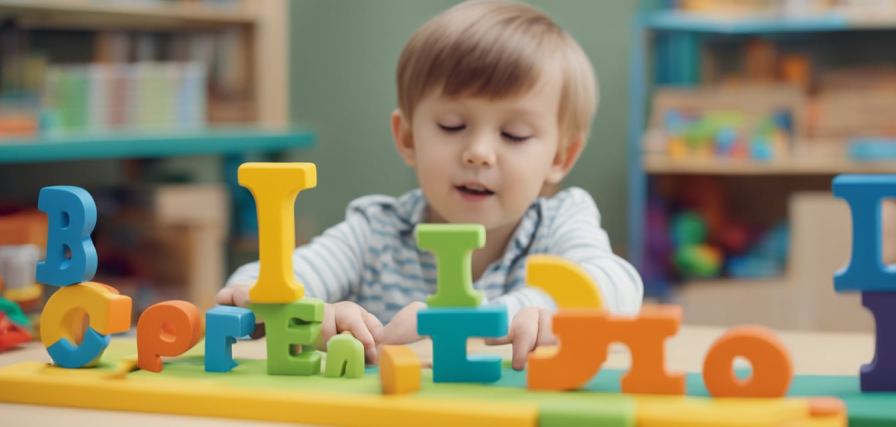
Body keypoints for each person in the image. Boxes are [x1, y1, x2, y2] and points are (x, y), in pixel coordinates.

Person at [216, 0, 643, 370]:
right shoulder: (375, 232)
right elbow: (254, 285)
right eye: (451, 125)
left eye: (513, 134)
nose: (479, 152)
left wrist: (520, 311)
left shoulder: (560, 221)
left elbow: (620, 285)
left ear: (560, 157)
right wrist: (312, 317)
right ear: (408, 138)